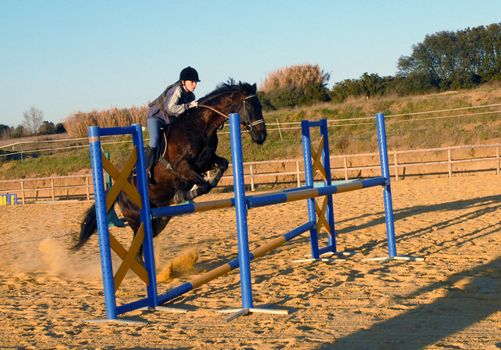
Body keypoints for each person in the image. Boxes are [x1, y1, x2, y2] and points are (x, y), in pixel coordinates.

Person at [145, 66, 200, 181]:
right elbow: (171, 108)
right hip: (156, 119)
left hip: (169, 121)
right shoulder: (177, 90)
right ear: (183, 82)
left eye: (196, 82)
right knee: (154, 140)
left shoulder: (191, 95)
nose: (195, 85)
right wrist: (188, 106)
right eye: (192, 82)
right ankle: (145, 169)